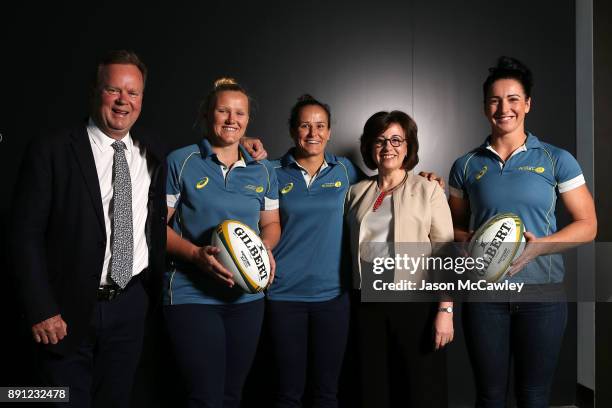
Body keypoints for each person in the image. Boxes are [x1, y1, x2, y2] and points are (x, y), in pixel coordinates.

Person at [9, 50, 167, 407]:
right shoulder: (51, 149)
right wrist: (40, 308)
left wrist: (249, 148)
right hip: (63, 311)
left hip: (130, 306)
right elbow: (23, 234)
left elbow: (207, 154)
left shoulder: (154, 149)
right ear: (95, 91)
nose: (124, 101)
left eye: (134, 92)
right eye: (114, 89)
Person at [448, 56, 597, 407]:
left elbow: (588, 225)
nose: (504, 108)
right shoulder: (465, 165)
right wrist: (470, 240)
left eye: (513, 99)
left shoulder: (556, 159)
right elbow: (452, 228)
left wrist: (540, 246)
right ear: (485, 107)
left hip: (542, 295)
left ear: (527, 104)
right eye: (495, 100)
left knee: (533, 396)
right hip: (485, 296)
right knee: (490, 396)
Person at [164, 77, 281, 408]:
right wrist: (195, 254)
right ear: (206, 114)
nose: (232, 120)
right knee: (205, 397)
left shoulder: (263, 170)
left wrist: (264, 249)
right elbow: (154, 228)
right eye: (223, 111)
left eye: (240, 113)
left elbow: (271, 223)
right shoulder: (181, 161)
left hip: (246, 300)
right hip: (191, 295)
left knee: (232, 396)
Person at [345, 110, 454, 408]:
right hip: (366, 305)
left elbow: (444, 254)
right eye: (380, 140)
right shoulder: (355, 192)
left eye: (396, 140)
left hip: (415, 306)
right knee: (373, 389)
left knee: (419, 390)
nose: (388, 147)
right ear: (369, 147)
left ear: (408, 147)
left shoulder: (428, 189)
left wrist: (446, 309)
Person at [266, 95, 361, 407]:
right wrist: (247, 143)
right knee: (287, 393)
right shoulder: (271, 171)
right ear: (293, 131)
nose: (313, 133)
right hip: (283, 295)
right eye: (305, 125)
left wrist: (426, 178)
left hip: (332, 297)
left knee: (326, 393)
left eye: (320, 126)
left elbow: (386, 187)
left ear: (330, 132)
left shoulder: (345, 170)